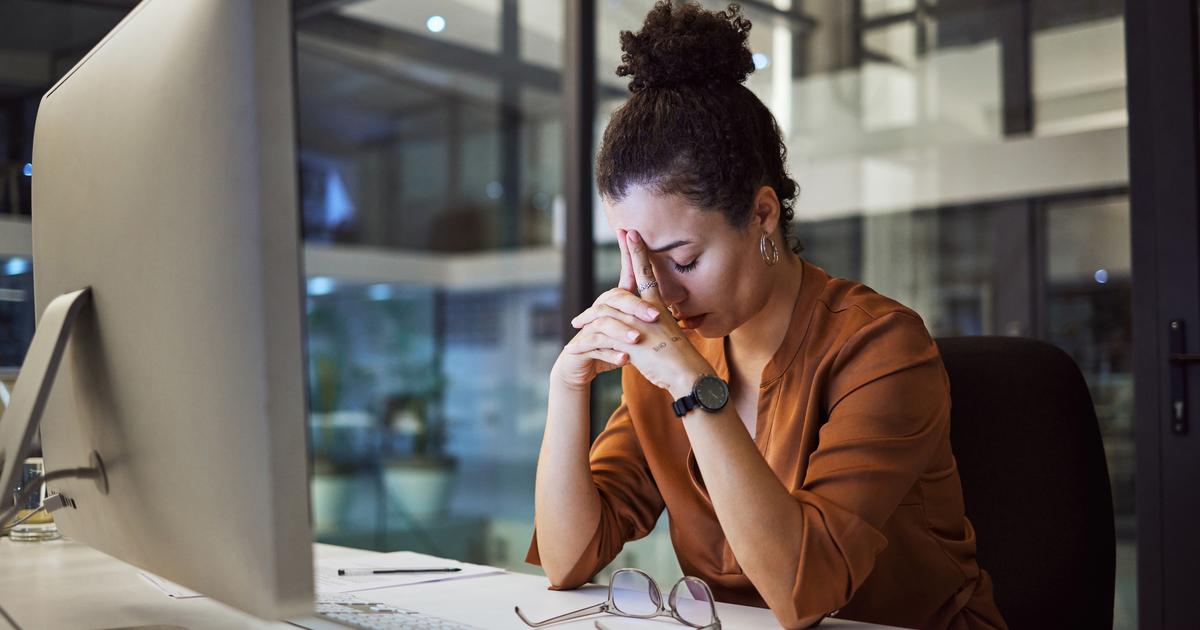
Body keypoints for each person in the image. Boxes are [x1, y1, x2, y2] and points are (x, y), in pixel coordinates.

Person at [526, 2, 1008, 628]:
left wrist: (692, 389)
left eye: (683, 259)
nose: (660, 295)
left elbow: (804, 587)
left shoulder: (882, 347)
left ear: (761, 214)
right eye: (641, 263)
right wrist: (567, 387)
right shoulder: (670, 359)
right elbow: (567, 562)